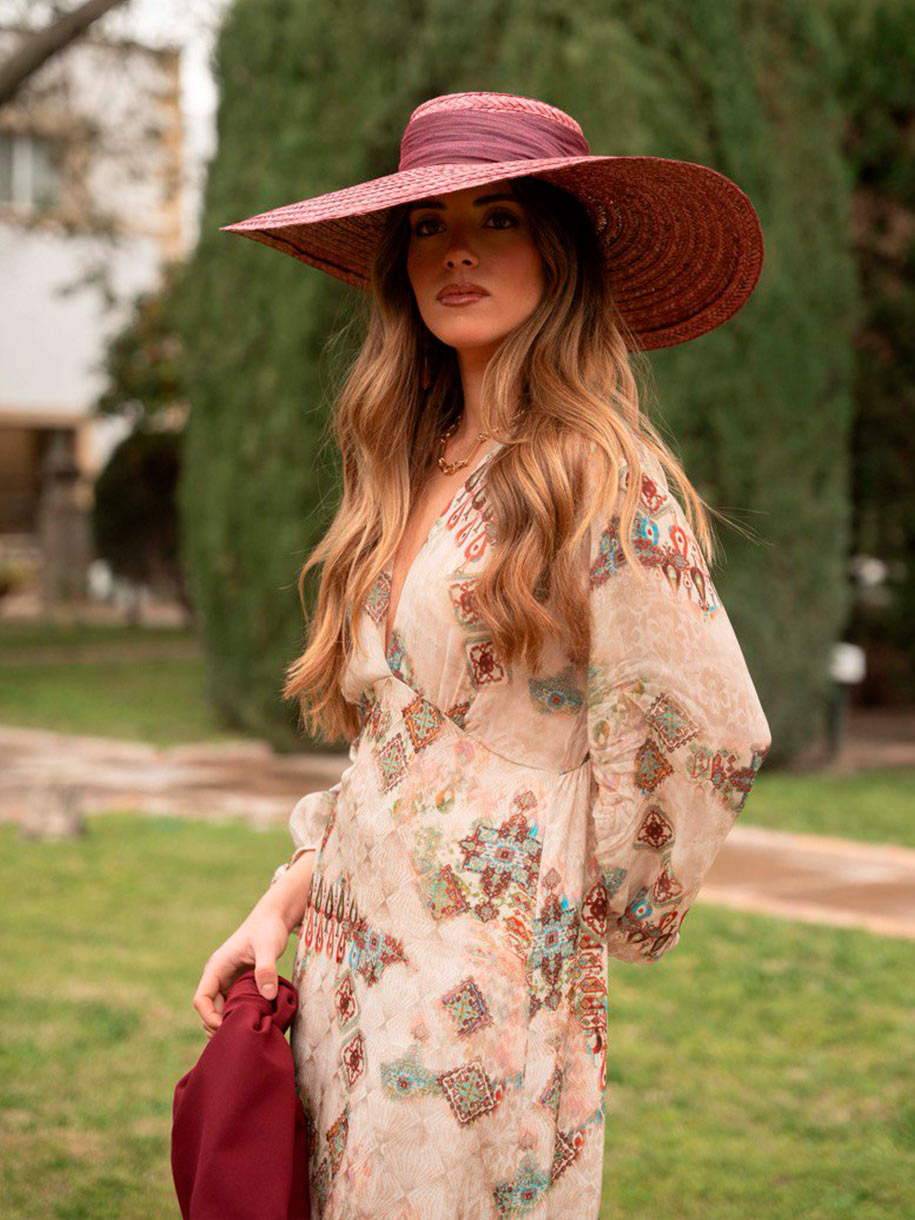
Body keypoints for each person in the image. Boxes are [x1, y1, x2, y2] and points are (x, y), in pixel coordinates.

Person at [194, 91, 773, 1219]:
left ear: (558, 255)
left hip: (483, 984)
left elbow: (707, 724)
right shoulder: (405, 470)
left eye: (497, 216)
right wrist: (282, 904)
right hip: (353, 953)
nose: (455, 248)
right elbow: (402, 755)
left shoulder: (600, 478)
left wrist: (583, 902)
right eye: (426, 224)